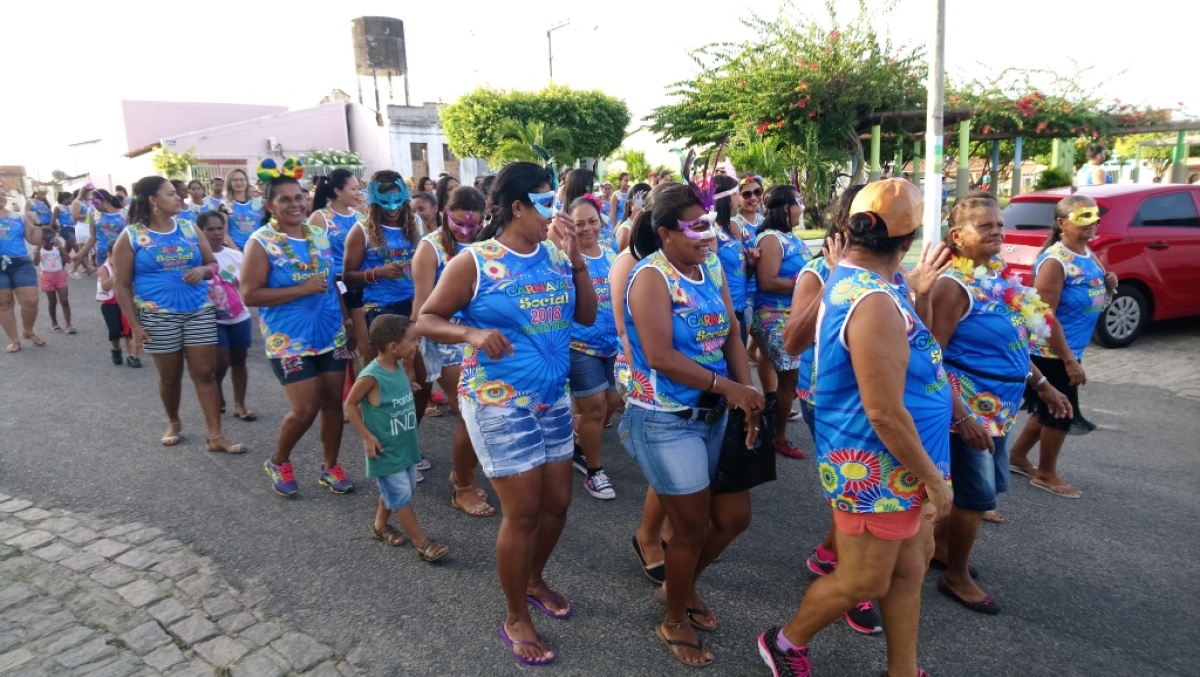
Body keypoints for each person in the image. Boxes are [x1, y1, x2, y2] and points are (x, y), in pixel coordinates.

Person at [759, 178, 953, 677]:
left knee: (910, 567)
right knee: (863, 580)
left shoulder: (870, 282)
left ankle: (903, 670)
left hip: (900, 461)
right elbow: (883, 413)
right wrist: (932, 477)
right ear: (907, 242)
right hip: (877, 467)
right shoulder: (871, 301)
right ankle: (785, 642)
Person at [417, 161, 596, 666]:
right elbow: (428, 319)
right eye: (544, 202)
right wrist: (471, 334)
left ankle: (534, 579)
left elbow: (585, 316)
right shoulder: (475, 261)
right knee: (524, 512)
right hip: (497, 401)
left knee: (559, 504)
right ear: (516, 206)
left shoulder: (558, 258)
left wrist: (577, 258)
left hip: (552, 398)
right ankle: (516, 614)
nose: (553, 213)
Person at [621, 182, 763, 667]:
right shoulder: (650, 278)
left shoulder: (711, 268)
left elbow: (732, 334)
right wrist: (731, 390)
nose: (709, 234)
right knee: (691, 528)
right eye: (697, 226)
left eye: (712, 224)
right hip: (666, 419)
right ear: (665, 233)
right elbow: (660, 356)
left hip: (718, 413)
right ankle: (674, 617)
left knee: (734, 518)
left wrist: (749, 398)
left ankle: (679, 588)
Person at [929, 195, 1072, 614]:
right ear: (957, 236)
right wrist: (964, 415)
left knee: (975, 492)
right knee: (975, 497)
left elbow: (1014, 346)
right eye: (984, 225)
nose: (997, 231)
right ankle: (956, 575)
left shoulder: (996, 278)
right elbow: (930, 356)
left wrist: (1043, 383)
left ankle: (942, 551)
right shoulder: (952, 286)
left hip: (1000, 408)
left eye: (999, 224)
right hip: (968, 411)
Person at [240, 160, 352, 497]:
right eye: (285, 199)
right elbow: (249, 294)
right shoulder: (261, 242)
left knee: (334, 402)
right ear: (269, 204)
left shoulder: (318, 235)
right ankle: (279, 460)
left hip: (331, 332)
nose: (295, 205)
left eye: (299, 198)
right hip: (288, 340)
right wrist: (301, 289)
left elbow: (334, 281)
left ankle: (330, 466)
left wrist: (348, 319)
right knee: (306, 408)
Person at [111, 176, 245, 453]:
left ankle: (215, 436)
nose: (179, 198)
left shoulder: (189, 228)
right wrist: (135, 326)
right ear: (153, 200)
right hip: (157, 315)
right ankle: (174, 421)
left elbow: (212, 264)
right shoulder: (132, 236)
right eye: (171, 194)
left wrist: (203, 271)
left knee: (205, 373)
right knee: (170, 376)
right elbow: (121, 285)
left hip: (198, 311)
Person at [1009, 195, 1114, 499]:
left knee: (1047, 408)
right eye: (1083, 218)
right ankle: (1046, 473)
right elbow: (1044, 314)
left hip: (1070, 348)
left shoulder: (1085, 251)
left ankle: (1017, 457)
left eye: (1095, 217)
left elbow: (1091, 285)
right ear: (1061, 224)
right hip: (1050, 351)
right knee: (1060, 411)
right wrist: (1068, 360)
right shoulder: (1055, 260)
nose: (1092, 224)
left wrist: (1108, 280)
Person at [410, 185, 495, 517]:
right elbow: (421, 311)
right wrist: (408, 354)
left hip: (480, 338)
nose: (465, 231)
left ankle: (461, 472)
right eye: (459, 224)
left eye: (473, 226)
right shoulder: (430, 249)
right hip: (445, 342)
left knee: (480, 412)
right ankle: (462, 487)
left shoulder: (488, 243)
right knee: (471, 412)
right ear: (446, 214)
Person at [345, 313, 449, 561]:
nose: (416, 344)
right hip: (385, 448)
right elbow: (350, 405)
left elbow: (391, 391)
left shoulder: (397, 366)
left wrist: (407, 387)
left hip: (405, 444)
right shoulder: (371, 375)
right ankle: (421, 542)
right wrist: (367, 437)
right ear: (393, 346)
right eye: (413, 340)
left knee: (399, 490)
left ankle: (380, 526)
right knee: (401, 497)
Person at [565, 195, 622, 500]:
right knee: (596, 407)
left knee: (612, 402)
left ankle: (577, 447)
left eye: (592, 221)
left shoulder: (613, 256)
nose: (587, 229)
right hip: (579, 345)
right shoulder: (563, 259)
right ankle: (595, 472)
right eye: (579, 223)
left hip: (611, 346)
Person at [751, 186, 811, 458]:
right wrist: (804, 284)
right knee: (792, 379)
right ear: (785, 207)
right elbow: (767, 281)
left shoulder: (792, 238)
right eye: (799, 202)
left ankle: (768, 412)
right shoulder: (771, 239)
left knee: (795, 379)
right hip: (772, 316)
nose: (803, 207)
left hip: (795, 314)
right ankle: (779, 436)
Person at [198, 212, 255, 422]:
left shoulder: (236, 256)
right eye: (210, 229)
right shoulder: (197, 257)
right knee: (220, 362)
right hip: (212, 319)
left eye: (219, 228)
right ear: (201, 232)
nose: (215, 233)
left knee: (240, 361)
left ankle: (240, 404)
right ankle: (217, 392)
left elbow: (249, 282)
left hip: (239, 316)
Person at [308, 170, 367, 353]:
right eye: (354, 188)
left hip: (360, 284)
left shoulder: (360, 218)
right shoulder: (320, 218)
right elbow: (313, 257)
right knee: (341, 345)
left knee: (365, 344)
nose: (359, 193)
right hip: (334, 287)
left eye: (359, 188)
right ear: (338, 191)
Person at [2, 195, 44, 352]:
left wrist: (37, 222)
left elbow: (34, 239)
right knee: (3, 303)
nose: (0, 196)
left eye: (2, 194)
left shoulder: (18, 216)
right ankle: (14, 339)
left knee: (31, 301)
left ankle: (28, 331)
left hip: (20, 263)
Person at [97, 240, 141, 367]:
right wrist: (117, 274)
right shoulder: (104, 268)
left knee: (129, 331)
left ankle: (132, 356)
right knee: (115, 332)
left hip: (126, 302)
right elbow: (105, 286)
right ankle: (116, 349)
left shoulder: (129, 267)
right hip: (110, 304)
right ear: (109, 255)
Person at [33, 226, 73, 334]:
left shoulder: (57, 248)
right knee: (52, 301)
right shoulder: (39, 250)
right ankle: (54, 322)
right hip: (47, 276)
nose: (49, 242)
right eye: (45, 240)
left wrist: (61, 248)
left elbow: (68, 260)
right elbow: (35, 263)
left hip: (60, 274)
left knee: (64, 300)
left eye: (51, 239)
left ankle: (69, 324)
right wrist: (38, 248)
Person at [78, 190, 126, 268]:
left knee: (121, 279)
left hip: (121, 253)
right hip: (102, 254)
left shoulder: (124, 214)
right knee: (103, 278)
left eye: (94, 202)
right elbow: (92, 238)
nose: (93, 205)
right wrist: (80, 254)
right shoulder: (94, 215)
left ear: (103, 201)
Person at [224, 168, 262, 250]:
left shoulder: (259, 204)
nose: (239, 182)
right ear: (229, 183)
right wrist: (237, 252)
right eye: (235, 180)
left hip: (258, 249)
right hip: (237, 251)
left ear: (246, 182)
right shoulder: (225, 205)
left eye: (242, 179)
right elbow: (224, 233)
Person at [67, 185, 96, 277]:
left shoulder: (92, 201)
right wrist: (90, 215)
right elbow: (75, 216)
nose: (91, 194)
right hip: (83, 227)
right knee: (83, 250)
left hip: (92, 226)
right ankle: (73, 269)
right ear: (84, 192)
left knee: (86, 250)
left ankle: (86, 268)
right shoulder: (77, 201)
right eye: (89, 192)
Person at [615, 182, 651, 252]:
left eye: (649, 206)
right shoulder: (625, 230)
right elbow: (624, 258)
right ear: (631, 204)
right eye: (642, 206)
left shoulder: (645, 225)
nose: (646, 210)